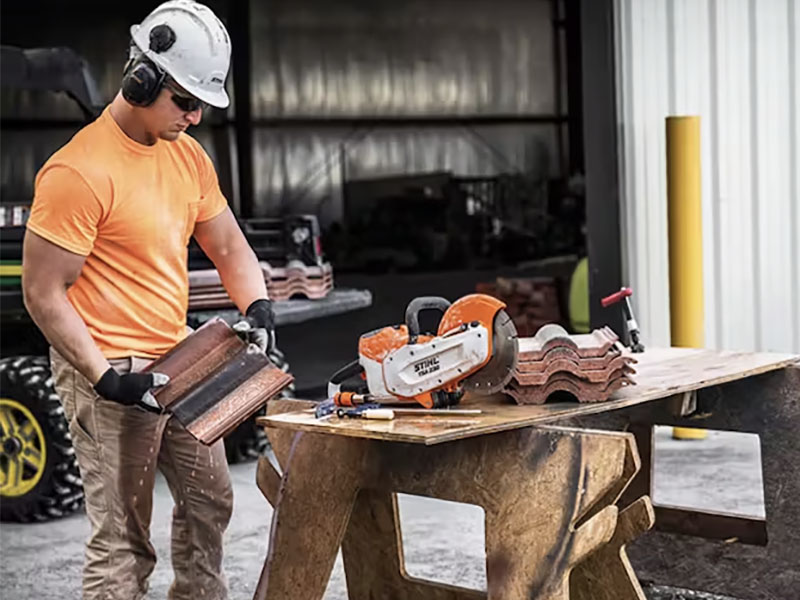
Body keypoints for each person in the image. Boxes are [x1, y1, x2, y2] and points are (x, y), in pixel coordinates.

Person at [21, 2, 273, 598]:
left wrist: (258, 304)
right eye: (184, 101)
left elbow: (230, 247)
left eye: (202, 106)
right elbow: (41, 291)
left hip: (180, 358)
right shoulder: (78, 172)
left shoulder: (187, 155)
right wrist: (104, 377)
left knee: (210, 501)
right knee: (123, 538)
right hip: (110, 369)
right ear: (142, 79)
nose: (193, 116)